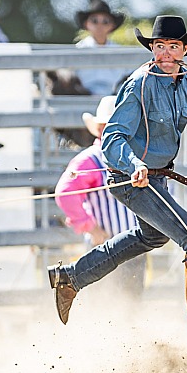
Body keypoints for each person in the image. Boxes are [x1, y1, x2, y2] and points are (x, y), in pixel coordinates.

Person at [47, 15, 187, 331]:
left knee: (149, 237)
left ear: (184, 49)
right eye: (159, 46)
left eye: (172, 46)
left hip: (155, 179)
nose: (166, 53)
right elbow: (113, 137)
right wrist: (135, 165)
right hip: (130, 179)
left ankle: (72, 277)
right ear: (152, 49)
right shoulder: (139, 84)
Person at [55, 95, 146, 295]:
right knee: (110, 299)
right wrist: (90, 227)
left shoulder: (135, 159)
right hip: (105, 248)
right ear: (100, 129)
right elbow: (65, 193)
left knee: (132, 301)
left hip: (135, 249)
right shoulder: (92, 160)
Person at [74, 0, 129, 95]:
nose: (100, 25)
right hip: (82, 98)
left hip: (114, 98)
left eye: (105, 21)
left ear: (112, 25)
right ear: (86, 24)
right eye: (94, 21)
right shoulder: (78, 49)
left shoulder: (119, 51)